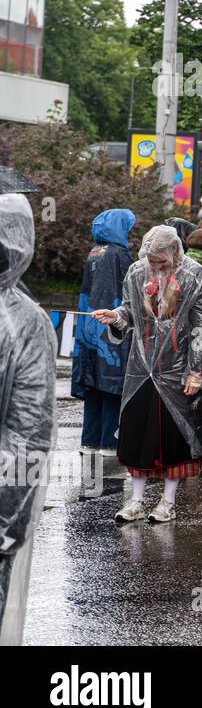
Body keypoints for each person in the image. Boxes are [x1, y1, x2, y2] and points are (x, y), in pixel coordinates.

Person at [93, 226, 202, 523]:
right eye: (152, 262)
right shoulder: (135, 272)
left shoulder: (194, 275)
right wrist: (115, 316)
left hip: (176, 367)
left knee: (173, 436)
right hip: (141, 368)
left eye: (162, 263)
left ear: (175, 253)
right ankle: (136, 500)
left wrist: (196, 370)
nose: (155, 267)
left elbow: (200, 326)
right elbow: (129, 311)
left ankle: (167, 502)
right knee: (138, 433)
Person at [0, 194, 58, 645]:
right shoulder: (25, 321)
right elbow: (30, 431)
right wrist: (10, 521)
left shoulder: (24, 321)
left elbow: (27, 430)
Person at [72, 208, 136, 455]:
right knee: (111, 380)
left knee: (92, 382)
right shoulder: (119, 255)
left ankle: (90, 439)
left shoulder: (94, 253)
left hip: (90, 324)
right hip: (112, 324)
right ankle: (109, 441)